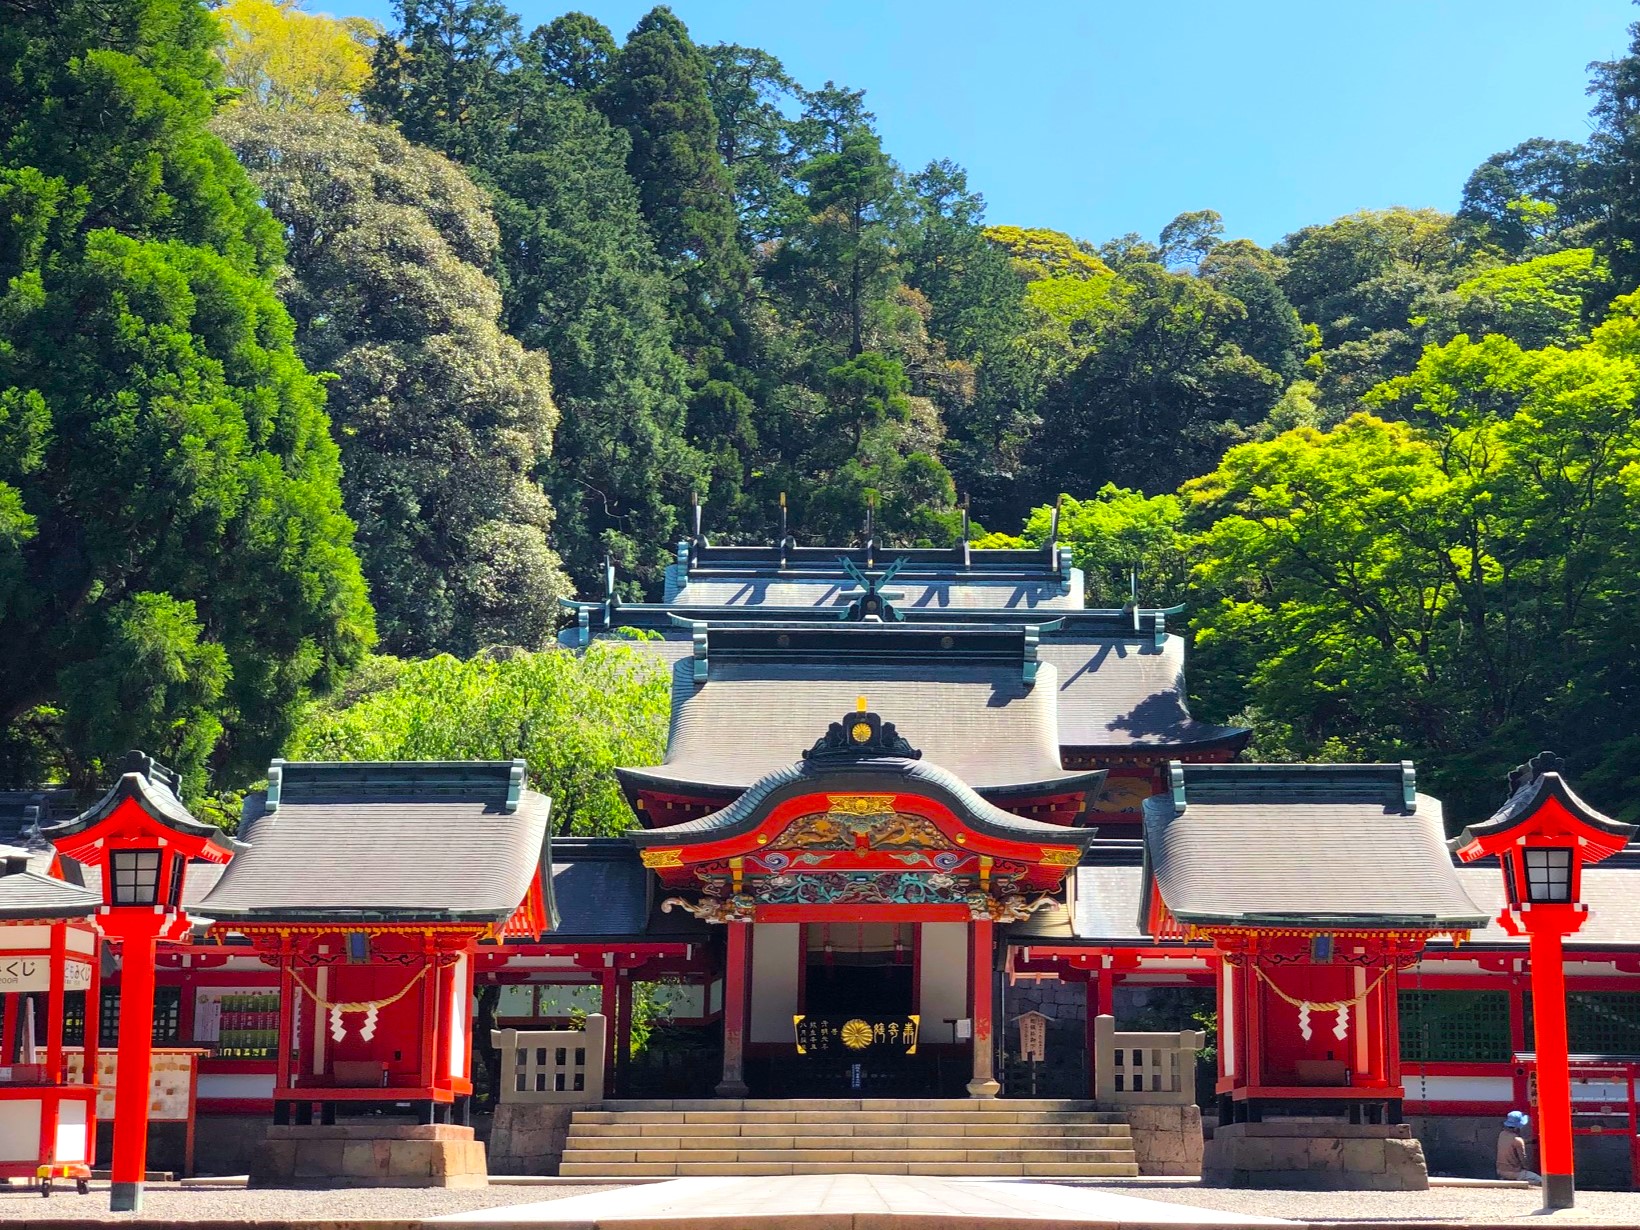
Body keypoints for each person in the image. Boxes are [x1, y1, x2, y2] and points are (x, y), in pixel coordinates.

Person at [1498, 1110, 1541, 1183]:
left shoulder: (1502, 1134)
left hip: (1500, 1171)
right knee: (1541, 1181)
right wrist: (1529, 1169)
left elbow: (1512, 1143)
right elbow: (1523, 1161)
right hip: (1515, 1172)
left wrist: (1530, 1141)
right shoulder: (1518, 1141)